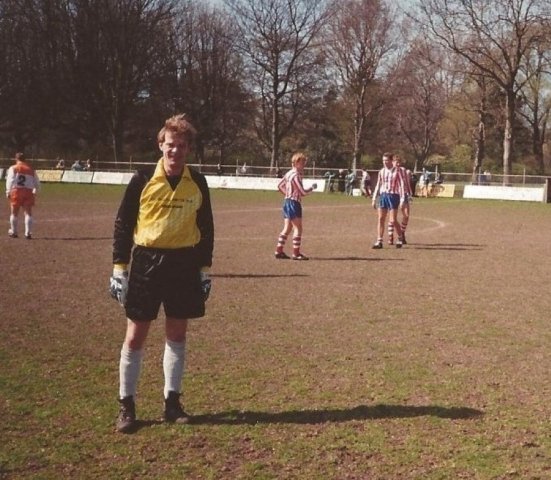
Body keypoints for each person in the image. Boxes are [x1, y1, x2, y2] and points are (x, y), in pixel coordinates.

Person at [109, 114, 214, 433]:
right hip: (147, 261)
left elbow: (206, 227)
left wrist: (204, 269)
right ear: (160, 145)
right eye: (170, 145)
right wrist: (119, 267)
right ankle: (127, 405)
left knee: (177, 335)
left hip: (184, 263)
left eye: (181, 145)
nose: (175, 151)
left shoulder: (198, 181)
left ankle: (172, 403)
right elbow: (123, 224)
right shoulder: (142, 179)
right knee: (135, 335)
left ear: (188, 148)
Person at [273, 152, 317, 261]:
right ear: (296, 162)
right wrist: (312, 188)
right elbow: (302, 192)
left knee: (287, 228)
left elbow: (280, 186)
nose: (303, 165)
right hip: (294, 203)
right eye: (302, 163)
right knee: (298, 228)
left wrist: (288, 194)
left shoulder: (289, 173)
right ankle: (296, 254)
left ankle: (278, 251)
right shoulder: (296, 175)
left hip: (287, 202)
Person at [371, 152, 405, 249]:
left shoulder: (397, 171)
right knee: (381, 218)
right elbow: (378, 184)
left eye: (386, 160)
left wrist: (402, 199)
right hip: (383, 195)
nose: (384, 162)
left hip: (393, 196)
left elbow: (401, 185)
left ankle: (400, 237)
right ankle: (379, 241)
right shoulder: (381, 171)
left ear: (391, 161)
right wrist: (374, 198)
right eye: (383, 160)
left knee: (393, 220)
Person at [5, 152, 40, 239]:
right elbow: (37, 182)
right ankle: (28, 233)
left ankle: (14, 232)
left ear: (16, 159)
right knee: (28, 213)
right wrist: (36, 190)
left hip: (16, 191)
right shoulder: (31, 169)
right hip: (28, 192)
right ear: (25, 160)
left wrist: (8, 191)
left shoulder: (13, 168)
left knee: (14, 213)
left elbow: (10, 180)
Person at [392, 155, 412, 244]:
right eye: (396, 162)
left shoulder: (403, 170)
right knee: (393, 217)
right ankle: (390, 235)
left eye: (399, 162)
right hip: (394, 195)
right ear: (392, 162)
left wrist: (409, 193)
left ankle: (402, 233)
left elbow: (406, 182)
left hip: (404, 194)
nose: (398, 164)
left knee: (406, 215)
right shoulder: (389, 171)